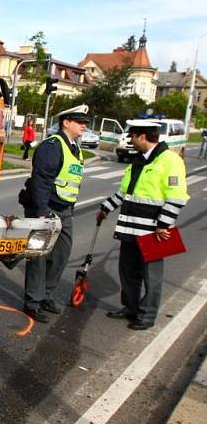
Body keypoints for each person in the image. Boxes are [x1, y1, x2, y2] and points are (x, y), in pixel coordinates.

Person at [97, 120, 189, 330]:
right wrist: (105, 208)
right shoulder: (138, 161)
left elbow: (177, 196)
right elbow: (125, 192)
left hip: (153, 231)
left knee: (152, 277)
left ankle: (146, 315)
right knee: (128, 272)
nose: (130, 140)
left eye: (132, 136)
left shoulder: (170, 160)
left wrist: (163, 224)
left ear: (142, 137)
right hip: (130, 228)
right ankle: (130, 308)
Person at [19, 105, 89, 323]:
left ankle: (46, 295)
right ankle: (33, 302)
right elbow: (41, 180)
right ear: (66, 122)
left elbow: (72, 183)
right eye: (79, 121)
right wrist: (41, 213)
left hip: (64, 210)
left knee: (61, 254)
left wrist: (70, 209)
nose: (84, 125)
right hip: (45, 209)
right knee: (39, 257)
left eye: (84, 122)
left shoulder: (75, 148)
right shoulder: (52, 146)